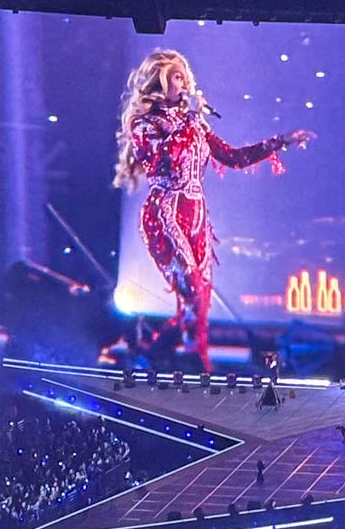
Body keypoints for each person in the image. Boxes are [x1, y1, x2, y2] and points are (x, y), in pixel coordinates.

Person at [114, 49, 315, 374]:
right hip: (165, 214)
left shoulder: (194, 125)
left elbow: (233, 157)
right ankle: (190, 363)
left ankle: (155, 355)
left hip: (196, 216)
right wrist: (190, 120)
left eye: (185, 77)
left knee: (199, 301)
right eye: (177, 77)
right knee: (192, 288)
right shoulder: (145, 124)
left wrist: (281, 141)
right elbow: (164, 158)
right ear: (160, 82)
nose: (184, 83)